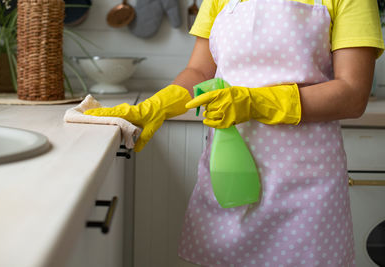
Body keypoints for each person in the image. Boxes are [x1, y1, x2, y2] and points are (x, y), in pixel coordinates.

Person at [85, 0, 384, 265]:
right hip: (229, 175)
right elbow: (200, 72)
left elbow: (353, 92)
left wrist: (255, 102)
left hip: (306, 187)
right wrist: (157, 106)